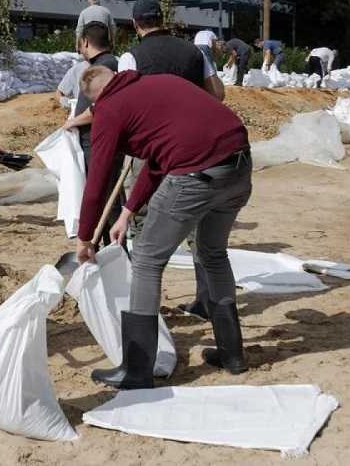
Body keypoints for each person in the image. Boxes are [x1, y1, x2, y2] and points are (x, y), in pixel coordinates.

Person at [76, 66, 251, 389]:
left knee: (145, 259)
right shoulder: (159, 84)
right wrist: (127, 212)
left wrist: (86, 236)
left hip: (197, 175)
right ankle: (232, 353)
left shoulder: (110, 108)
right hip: (238, 167)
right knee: (213, 253)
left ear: (95, 97)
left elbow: (97, 180)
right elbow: (160, 159)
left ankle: (137, 368)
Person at [118, 0, 225, 320]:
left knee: (142, 223)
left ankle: (144, 305)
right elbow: (218, 93)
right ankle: (205, 300)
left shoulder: (131, 57)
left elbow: (125, 105)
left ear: (137, 25)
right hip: (196, 150)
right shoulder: (194, 52)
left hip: (154, 149)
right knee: (197, 224)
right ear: (163, 20)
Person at [61, 22, 121, 243]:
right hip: (96, 143)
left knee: (106, 200)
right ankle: (103, 244)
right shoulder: (106, 63)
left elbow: (101, 108)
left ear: (85, 41)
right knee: (102, 199)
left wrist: (74, 121)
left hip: (99, 145)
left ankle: (113, 249)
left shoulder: (104, 67)